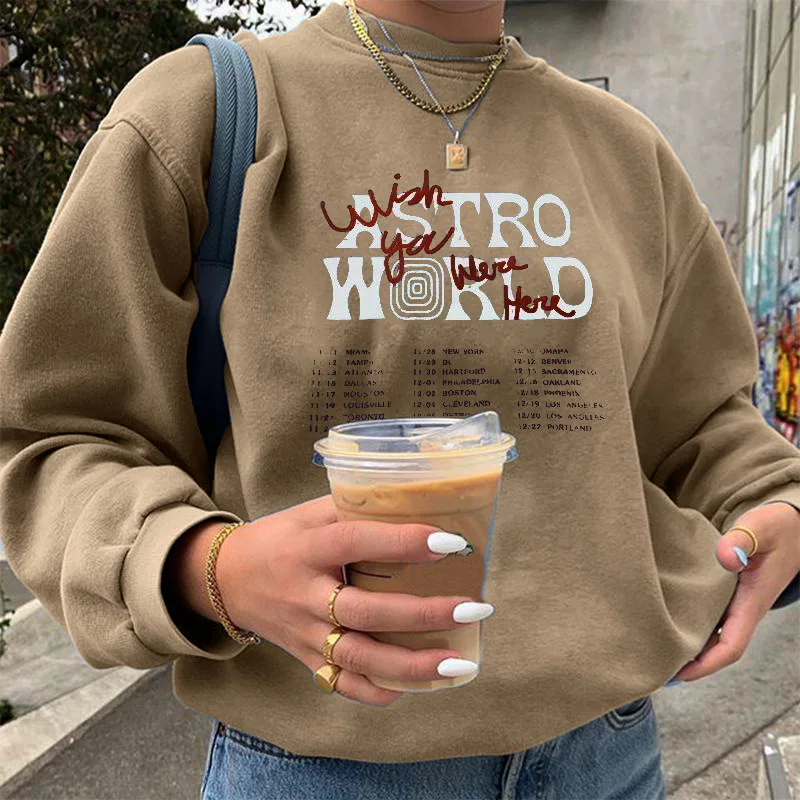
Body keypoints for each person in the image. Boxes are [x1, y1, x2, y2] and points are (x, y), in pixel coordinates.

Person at [1, 0, 799, 797]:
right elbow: (52, 432)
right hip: (313, 772)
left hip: (608, 756)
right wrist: (213, 566)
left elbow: (699, 421)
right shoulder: (205, 114)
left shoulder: (628, 153)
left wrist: (777, 500)